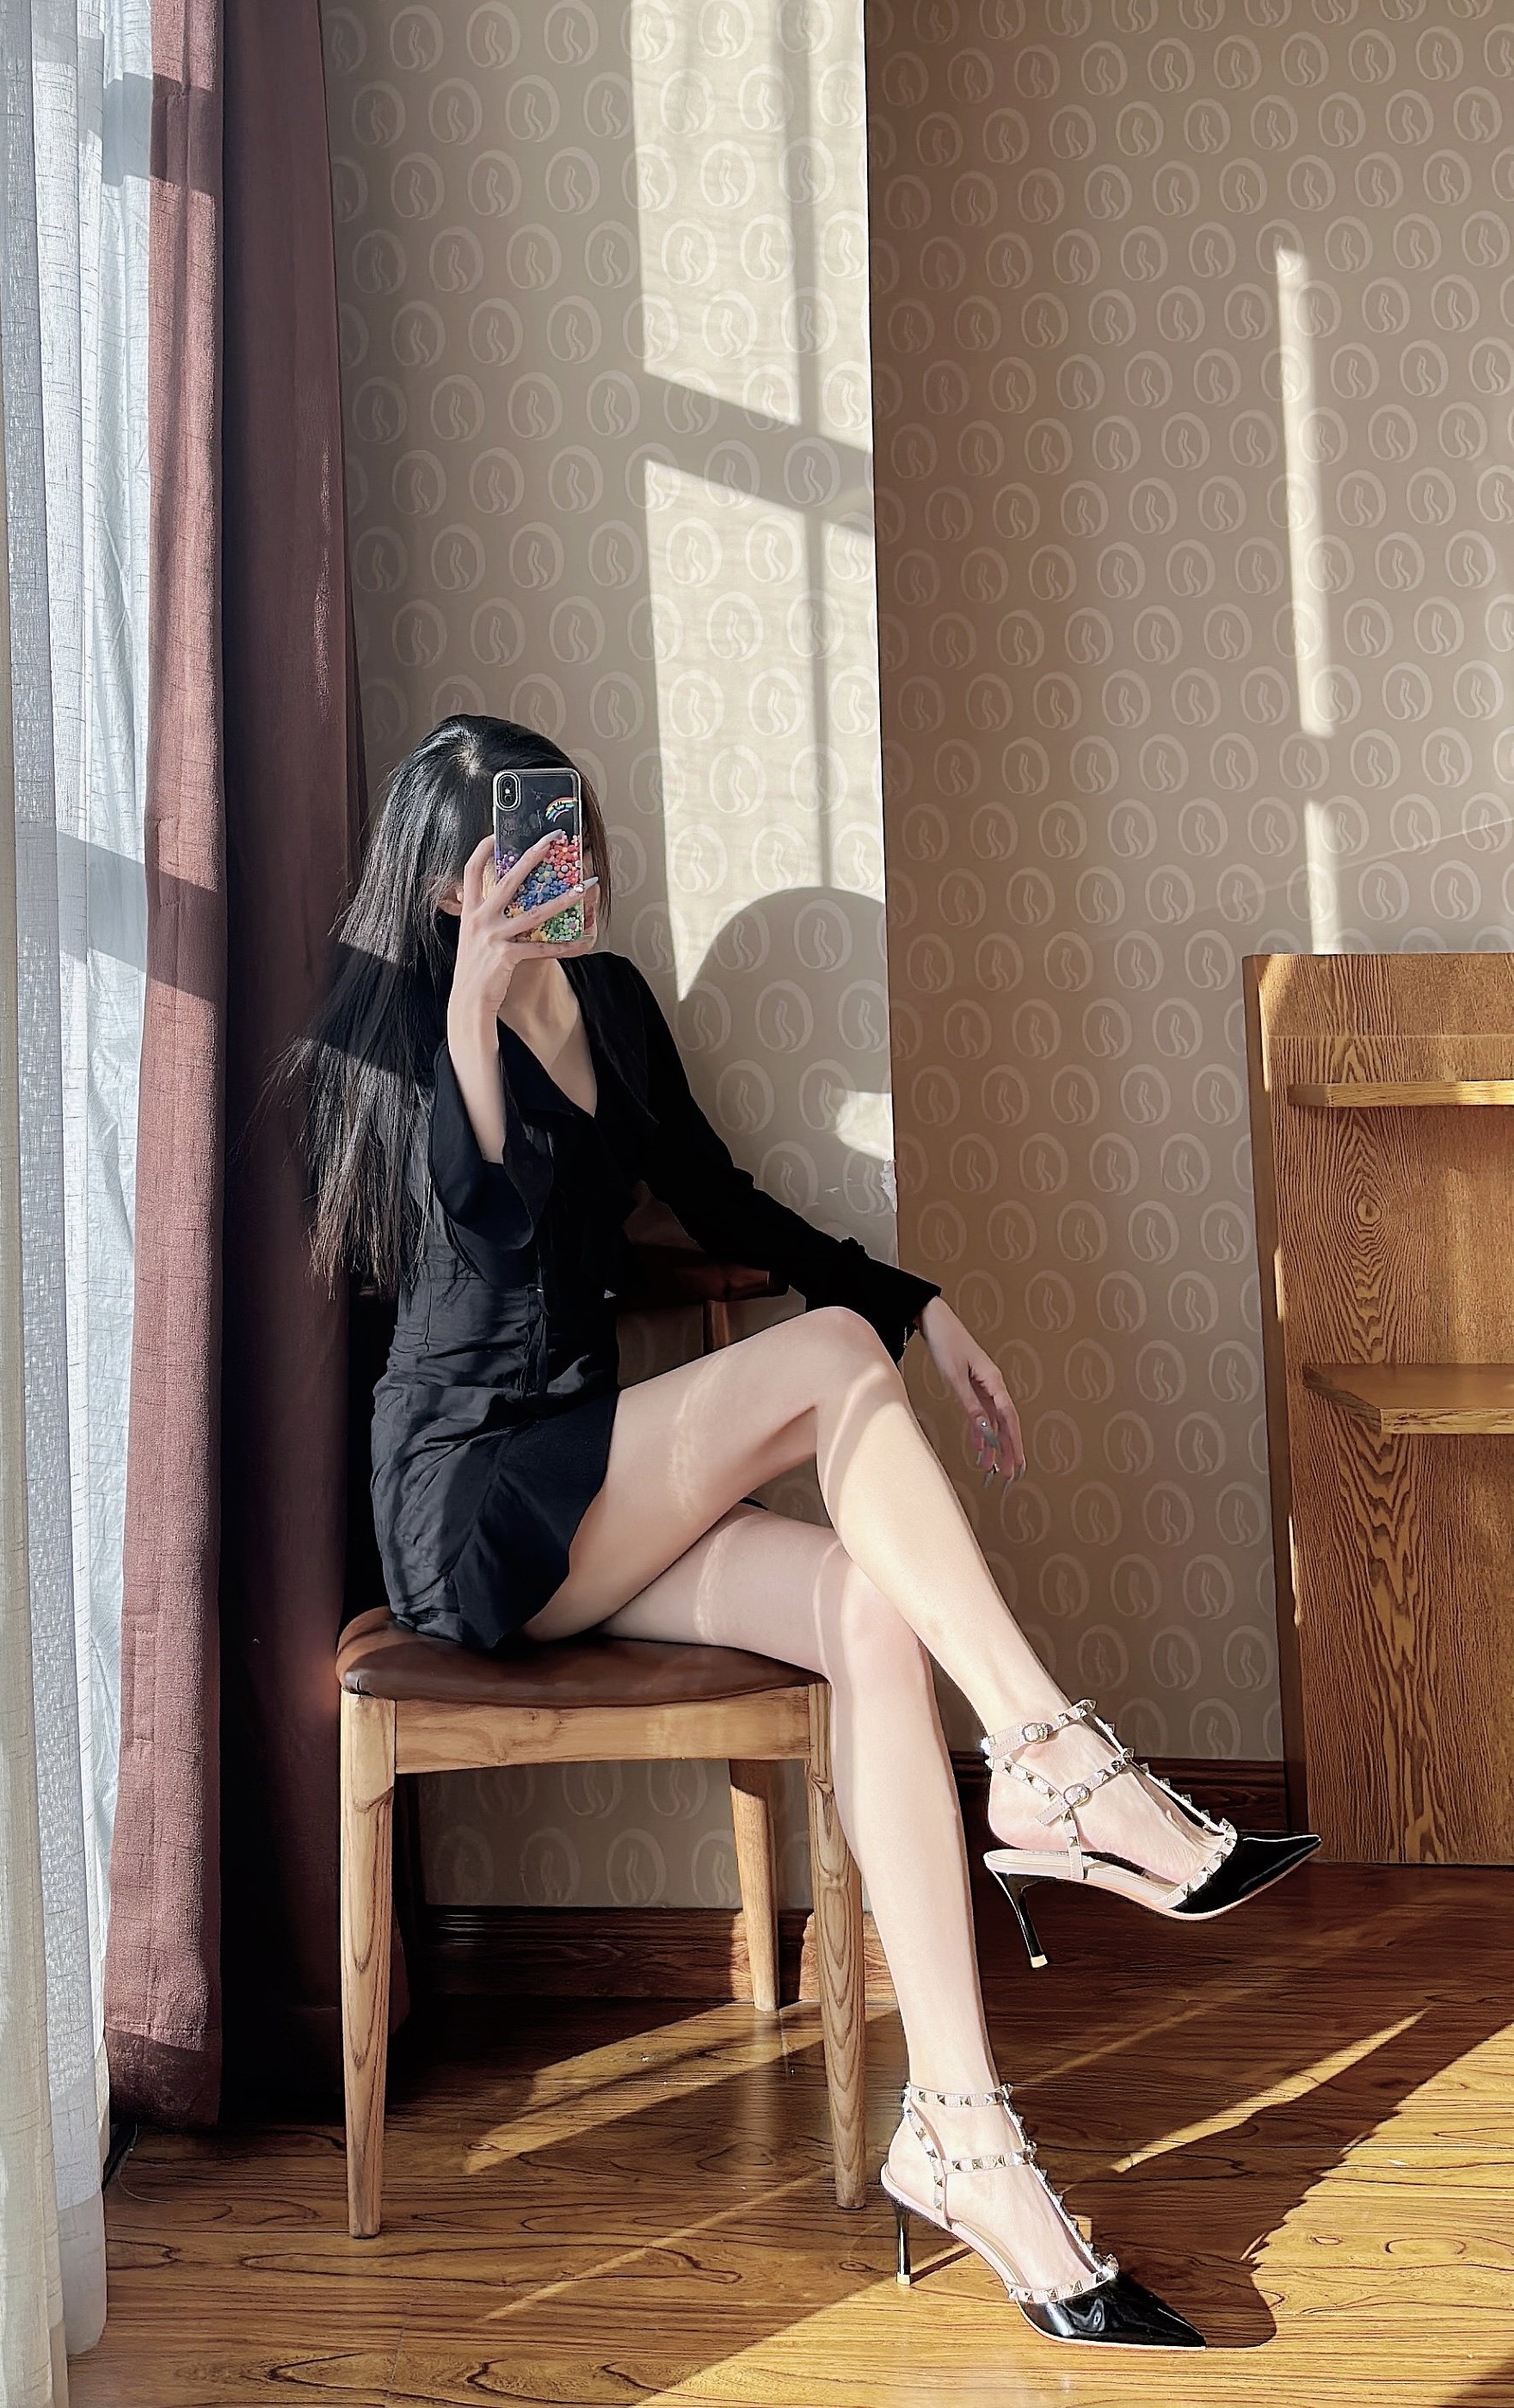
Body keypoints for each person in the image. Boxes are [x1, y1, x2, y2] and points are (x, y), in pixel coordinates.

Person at [297, 714, 1318, 2350]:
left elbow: (725, 1206)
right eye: (508, 849)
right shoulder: (406, 1026)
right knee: (830, 1362)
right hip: (471, 1509)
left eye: (564, 833)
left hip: (596, 1493)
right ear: (439, 882)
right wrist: (475, 1019)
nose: (553, 865)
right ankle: (1056, 1763)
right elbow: (479, 1247)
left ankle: (964, 2135)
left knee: (869, 1611)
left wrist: (922, 1304)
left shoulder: (615, 1006)